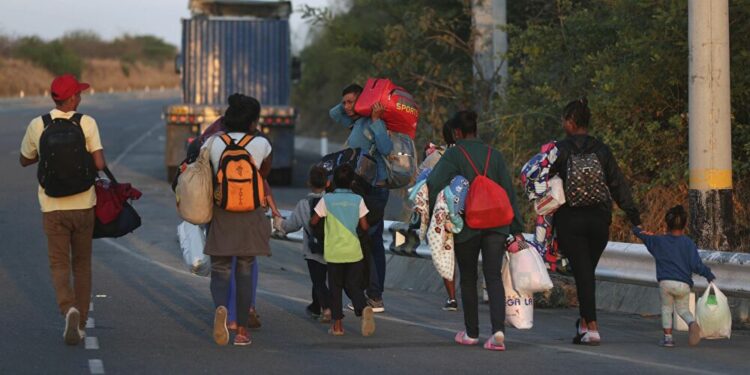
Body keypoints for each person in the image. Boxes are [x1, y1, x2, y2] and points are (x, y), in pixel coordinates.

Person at [19, 74, 107, 345]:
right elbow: (100, 164)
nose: (80, 98)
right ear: (70, 98)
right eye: (78, 94)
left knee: (58, 263)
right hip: (83, 205)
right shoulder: (87, 123)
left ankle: (67, 307)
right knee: (81, 265)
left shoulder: (38, 125)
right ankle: (80, 324)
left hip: (52, 206)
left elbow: (24, 159)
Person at [426, 111, 524, 351]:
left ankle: (471, 333)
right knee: (493, 277)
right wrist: (517, 228)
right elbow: (509, 193)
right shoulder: (495, 155)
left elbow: (433, 183)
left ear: (457, 132)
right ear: (475, 130)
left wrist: (435, 212)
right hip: (497, 225)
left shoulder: (454, 154)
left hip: (467, 224)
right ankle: (498, 332)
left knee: (468, 278)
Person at [549, 97, 642, 346]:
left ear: (570, 122)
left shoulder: (559, 150)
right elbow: (618, 185)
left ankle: (592, 326)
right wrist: (634, 217)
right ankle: (583, 324)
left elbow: (542, 183)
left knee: (583, 273)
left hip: (571, 221)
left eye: (563, 119)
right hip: (599, 220)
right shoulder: (602, 150)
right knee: (585, 271)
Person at [202, 93, 272, 346]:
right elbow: (263, 176)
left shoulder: (212, 143)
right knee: (244, 268)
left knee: (220, 268)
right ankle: (242, 329)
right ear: (253, 121)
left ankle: (223, 312)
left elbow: (205, 176)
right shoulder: (262, 144)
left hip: (221, 212)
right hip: (251, 214)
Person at [329, 84, 393, 313]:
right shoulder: (356, 121)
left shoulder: (371, 123)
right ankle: (372, 294)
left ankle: (374, 296)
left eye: (350, 102)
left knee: (370, 242)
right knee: (372, 243)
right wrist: (357, 104)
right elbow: (333, 114)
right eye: (344, 102)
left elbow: (386, 147)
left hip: (374, 189)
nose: (346, 107)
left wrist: (375, 118)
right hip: (363, 188)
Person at [633, 205, 715, 347]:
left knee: (666, 308)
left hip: (665, 283)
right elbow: (696, 265)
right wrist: (708, 274)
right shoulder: (688, 244)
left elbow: (642, 235)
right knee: (683, 310)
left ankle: (668, 338)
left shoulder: (658, 241)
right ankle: (692, 323)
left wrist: (637, 229)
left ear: (667, 224)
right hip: (683, 284)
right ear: (684, 225)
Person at [310, 164, 376, 336]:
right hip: (354, 251)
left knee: (335, 288)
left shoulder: (327, 199)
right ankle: (363, 309)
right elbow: (364, 225)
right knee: (353, 285)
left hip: (334, 251)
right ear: (352, 181)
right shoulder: (357, 199)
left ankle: (338, 326)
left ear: (333, 181)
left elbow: (314, 221)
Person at [275, 166, 332, 323]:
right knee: (324, 280)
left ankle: (327, 308)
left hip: (313, 249)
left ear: (308, 183)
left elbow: (292, 225)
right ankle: (315, 307)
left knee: (318, 280)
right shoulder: (332, 201)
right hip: (334, 247)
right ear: (328, 183)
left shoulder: (303, 204)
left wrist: (279, 223)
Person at [418, 122, 459, 311]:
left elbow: (424, 181)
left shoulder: (437, 156)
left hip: (443, 214)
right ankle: (468, 294)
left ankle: (452, 298)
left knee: (446, 254)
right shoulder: (476, 154)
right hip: (470, 213)